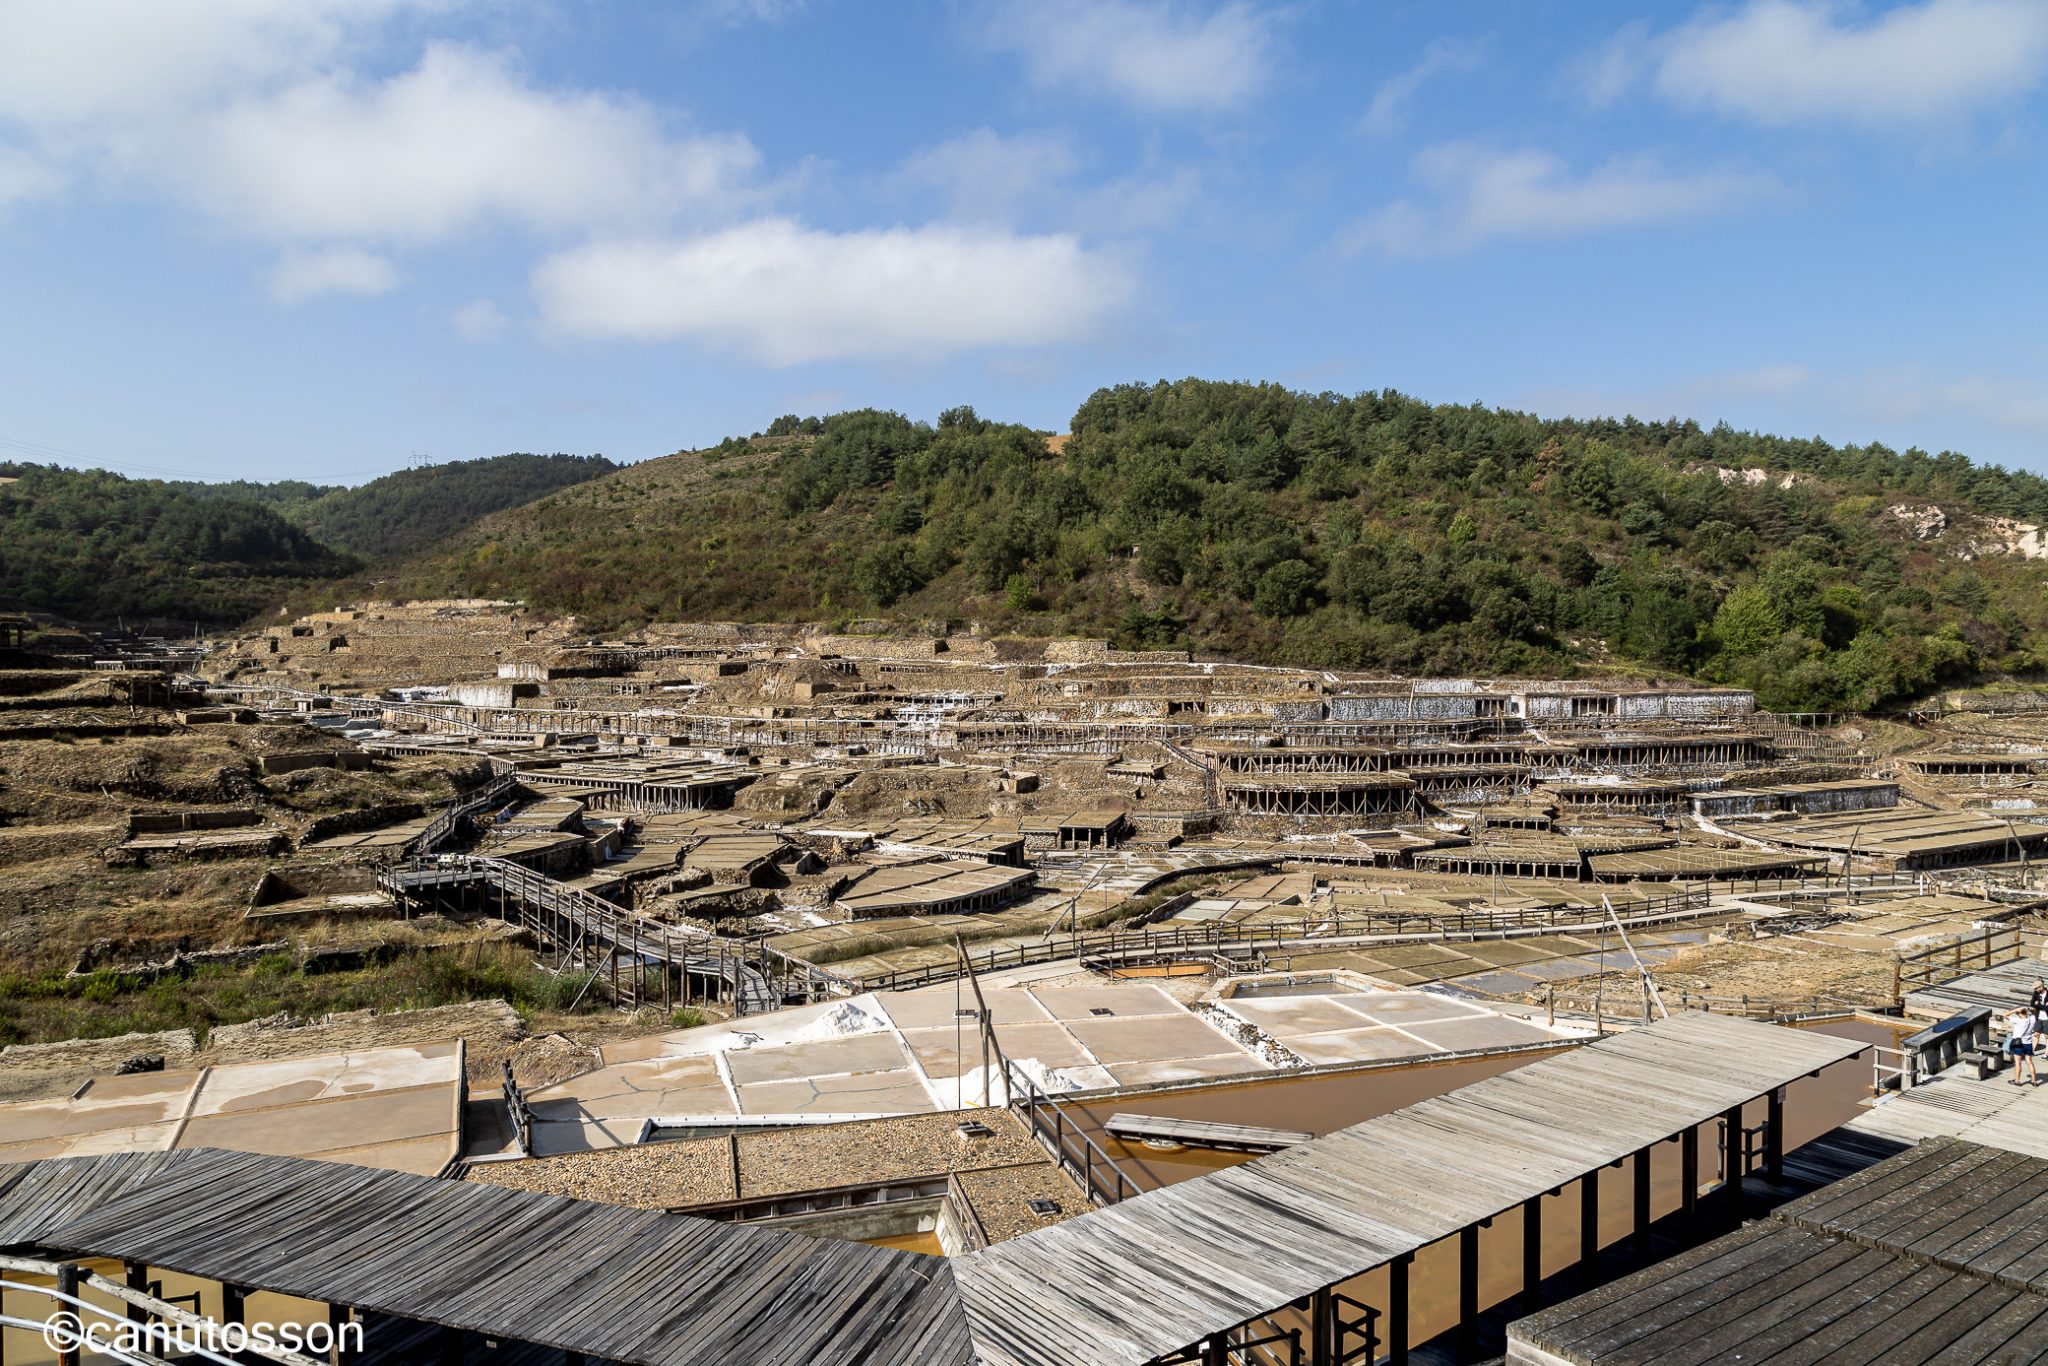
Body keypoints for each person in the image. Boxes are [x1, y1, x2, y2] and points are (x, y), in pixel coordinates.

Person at [2010, 1005, 2040, 1086]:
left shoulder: (2017, 1020)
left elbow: (2005, 1015)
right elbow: (2034, 1011)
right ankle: (2034, 1081)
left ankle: (2017, 1081)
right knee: (2029, 1062)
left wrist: (2015, 1010)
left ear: (2018, 1013)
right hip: (2028, 1043)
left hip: (2018, 1044)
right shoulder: (2032, 1019)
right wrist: (2027, 1009)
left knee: (2018, 1063)